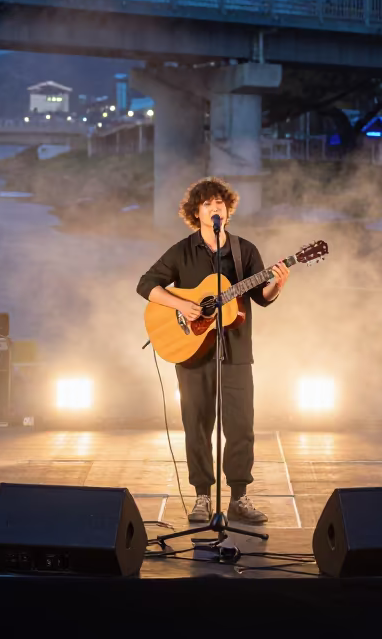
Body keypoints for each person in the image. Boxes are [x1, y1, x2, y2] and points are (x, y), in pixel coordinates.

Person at [136, 176, 289, 525]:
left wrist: (277, 285)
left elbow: (260, 299)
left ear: (228, 209)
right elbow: (146, 284)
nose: (214, 207)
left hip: (235, 352)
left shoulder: (244, 250)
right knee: (197, 424)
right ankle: (202, 497)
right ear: (196, 212)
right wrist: (182, 305)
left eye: (220, 201)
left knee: (241, 425)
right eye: (206, 203)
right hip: (190, 353)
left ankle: (239, 497)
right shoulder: (182, 250)